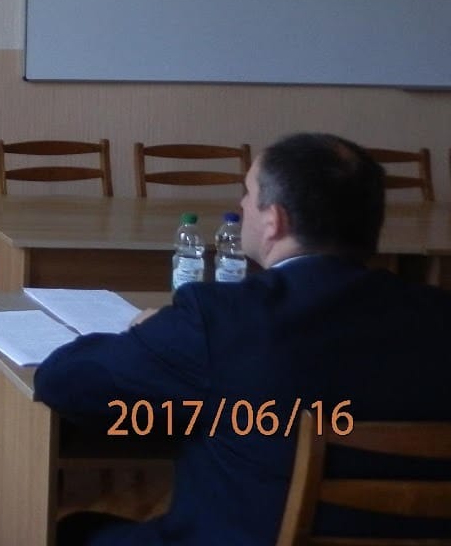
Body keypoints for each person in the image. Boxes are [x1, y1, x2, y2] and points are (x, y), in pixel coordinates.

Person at [34, 132, 451, 545]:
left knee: (73, 531)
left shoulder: (222, 320)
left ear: (274, 221)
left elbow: (63, 381)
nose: (241, 205)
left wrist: (147, 334)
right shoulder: (439, 316)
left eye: (249, 193)